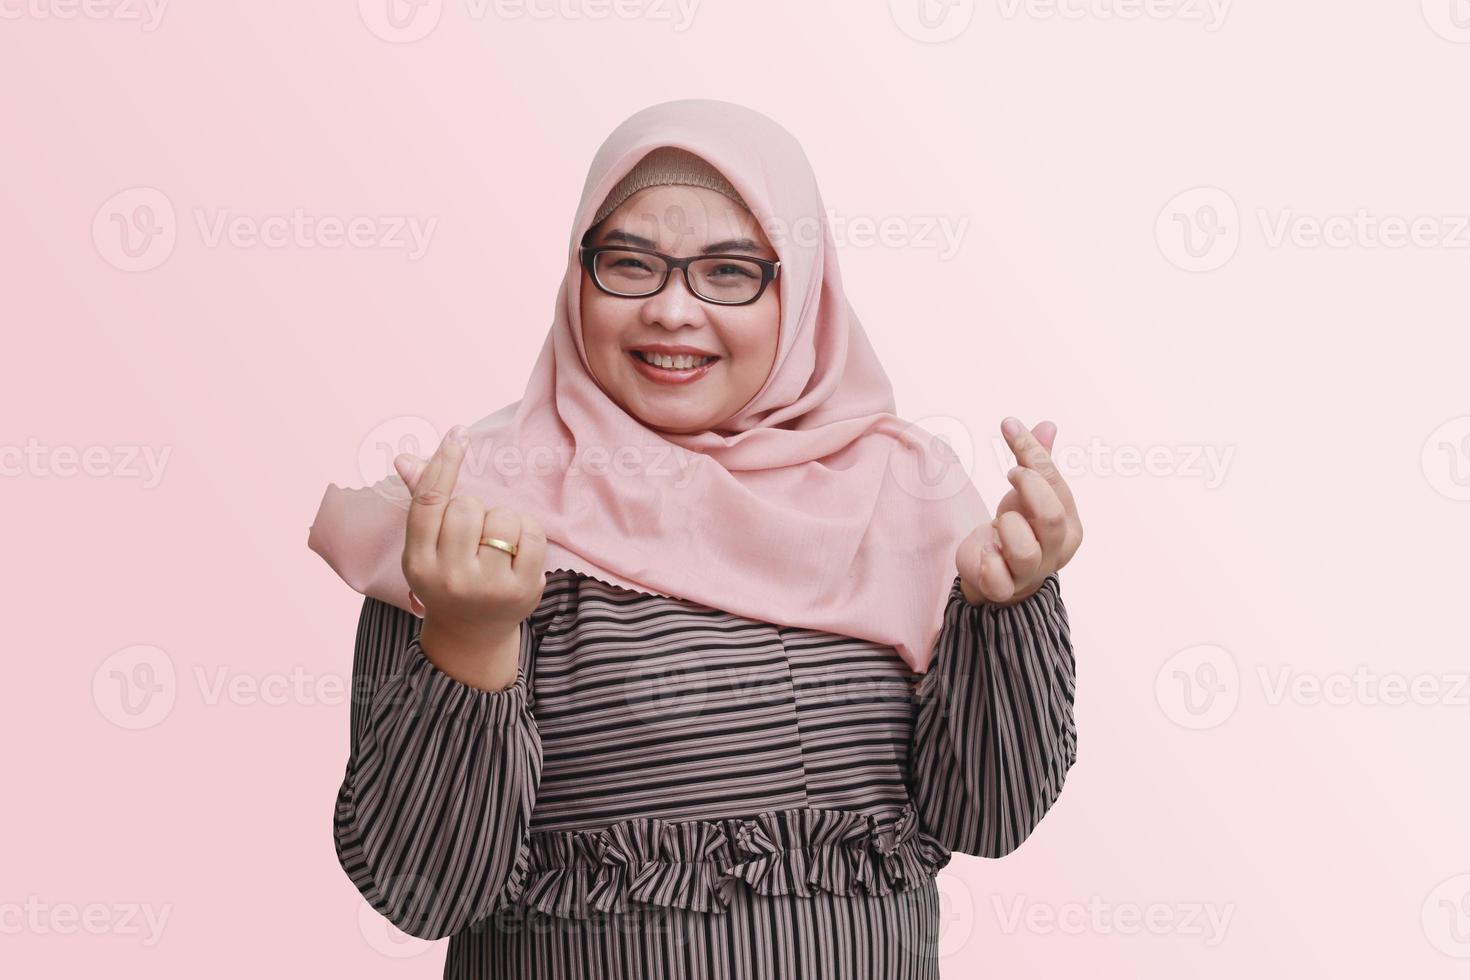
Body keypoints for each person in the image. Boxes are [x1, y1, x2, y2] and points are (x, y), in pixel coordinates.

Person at [308, 98, 1083, 979]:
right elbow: (424, 892)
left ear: (803, 292)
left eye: (729, 272)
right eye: (630, 264)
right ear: (577, 276)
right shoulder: (471, 519)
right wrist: (468, 638)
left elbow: (987, 816)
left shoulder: (902, 498)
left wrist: (1006, 607)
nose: (673, 311)